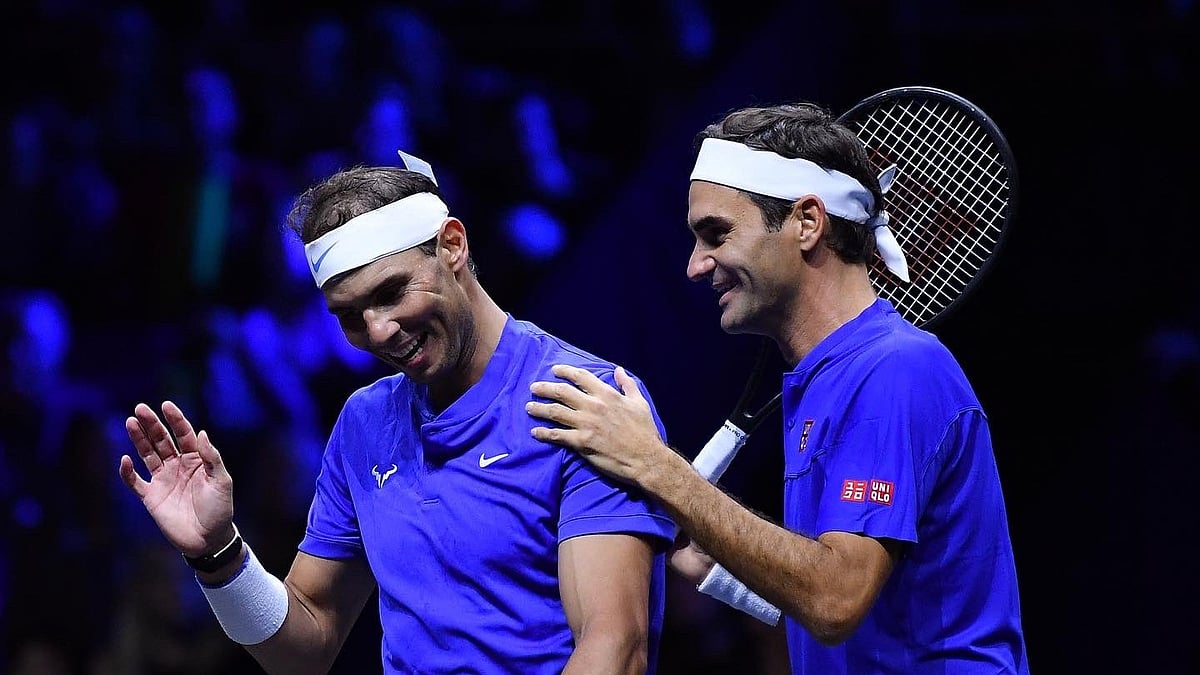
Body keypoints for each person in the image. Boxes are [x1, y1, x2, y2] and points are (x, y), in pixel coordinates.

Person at [118, 151, 677, 674]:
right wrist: (219, 553)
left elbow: (615, 649)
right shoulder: (365, 422)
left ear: (452, 245)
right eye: (351, 315)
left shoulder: (588, 401)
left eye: (391, 293)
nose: (379, 331)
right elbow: (305, 647)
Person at [525, 101, 1029, 673]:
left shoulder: (894, 369)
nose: (695, 265)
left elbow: (836, 599)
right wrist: (720, 567)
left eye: (716, 233)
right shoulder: (828, 379)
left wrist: (658, 469)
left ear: (807, 224)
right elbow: (859, 616)